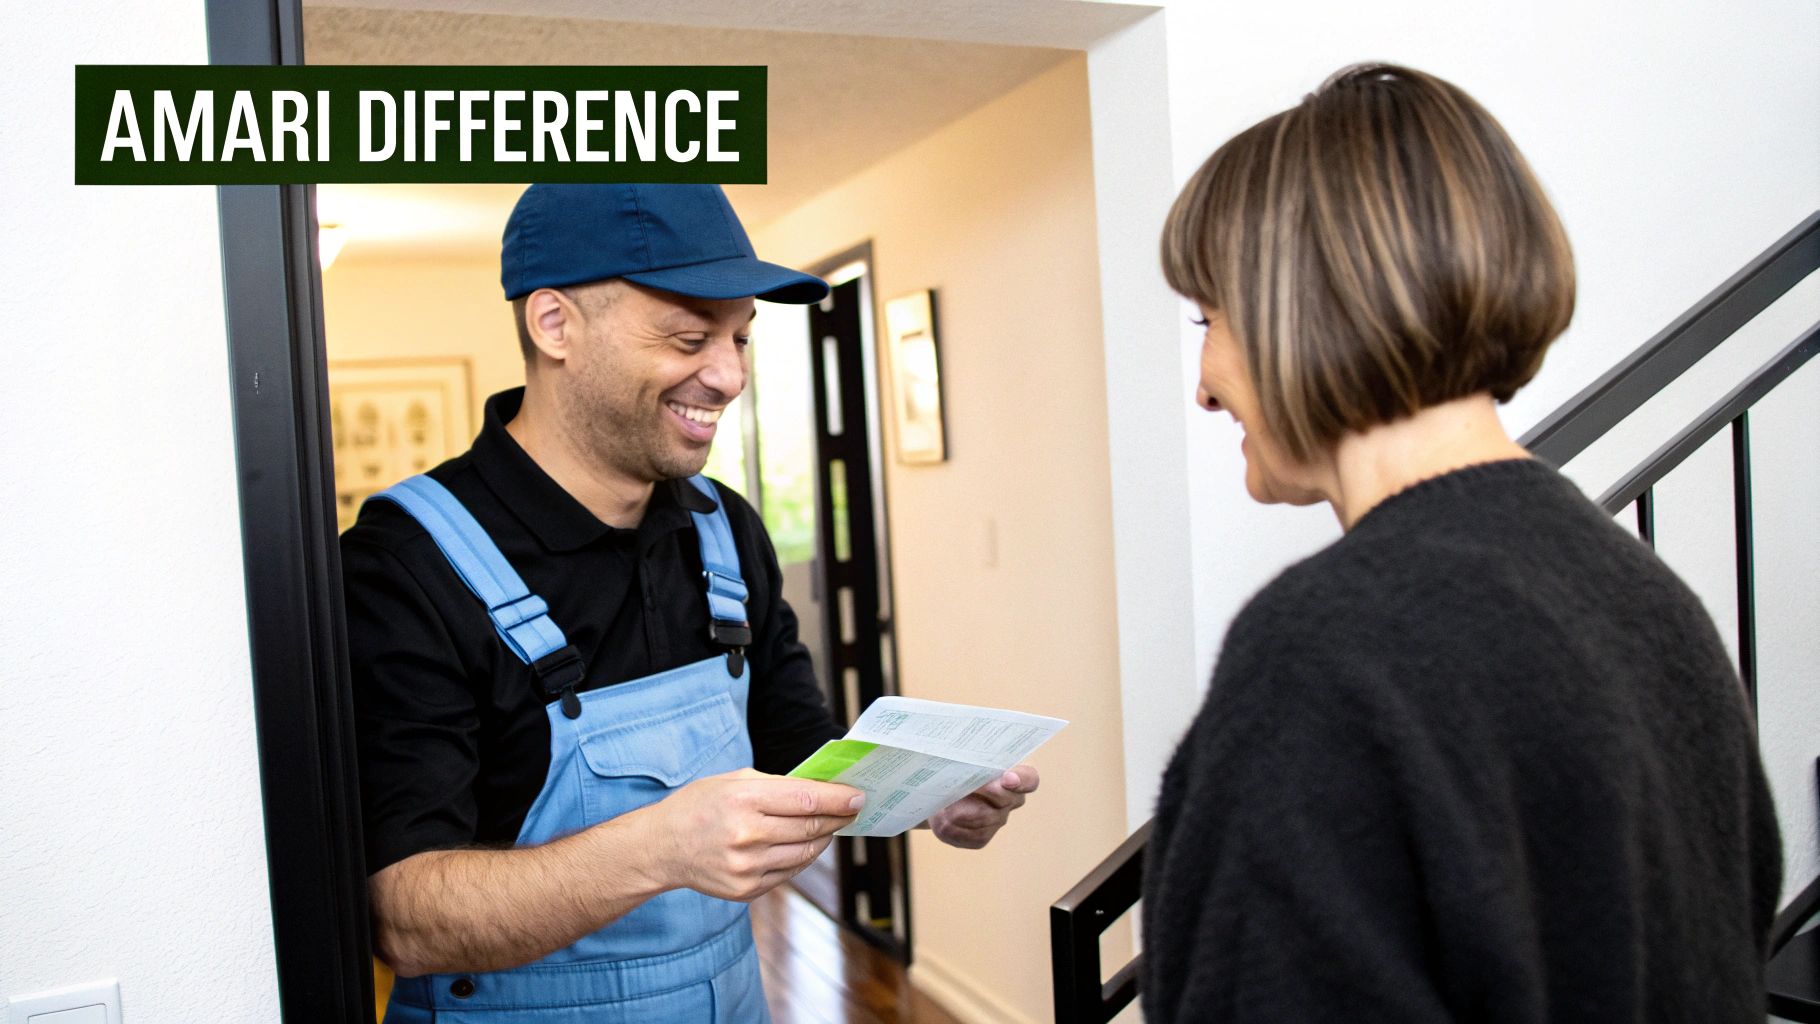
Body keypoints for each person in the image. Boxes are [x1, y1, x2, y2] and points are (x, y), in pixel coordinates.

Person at [1141, 64, 1782, 1022]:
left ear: (1299, 306)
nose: (1202, 383)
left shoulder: (1323, 650)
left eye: (1210, 320)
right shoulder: (1646, 596)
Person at [341, 183, 1040, 1023]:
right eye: (688, 338)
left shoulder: (723, 530)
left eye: (741, 337)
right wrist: (662, 848)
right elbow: (406, 921)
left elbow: (796, 753)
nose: (731, 375)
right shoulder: (404, 564)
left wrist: (924, 796)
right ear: (554, 325)